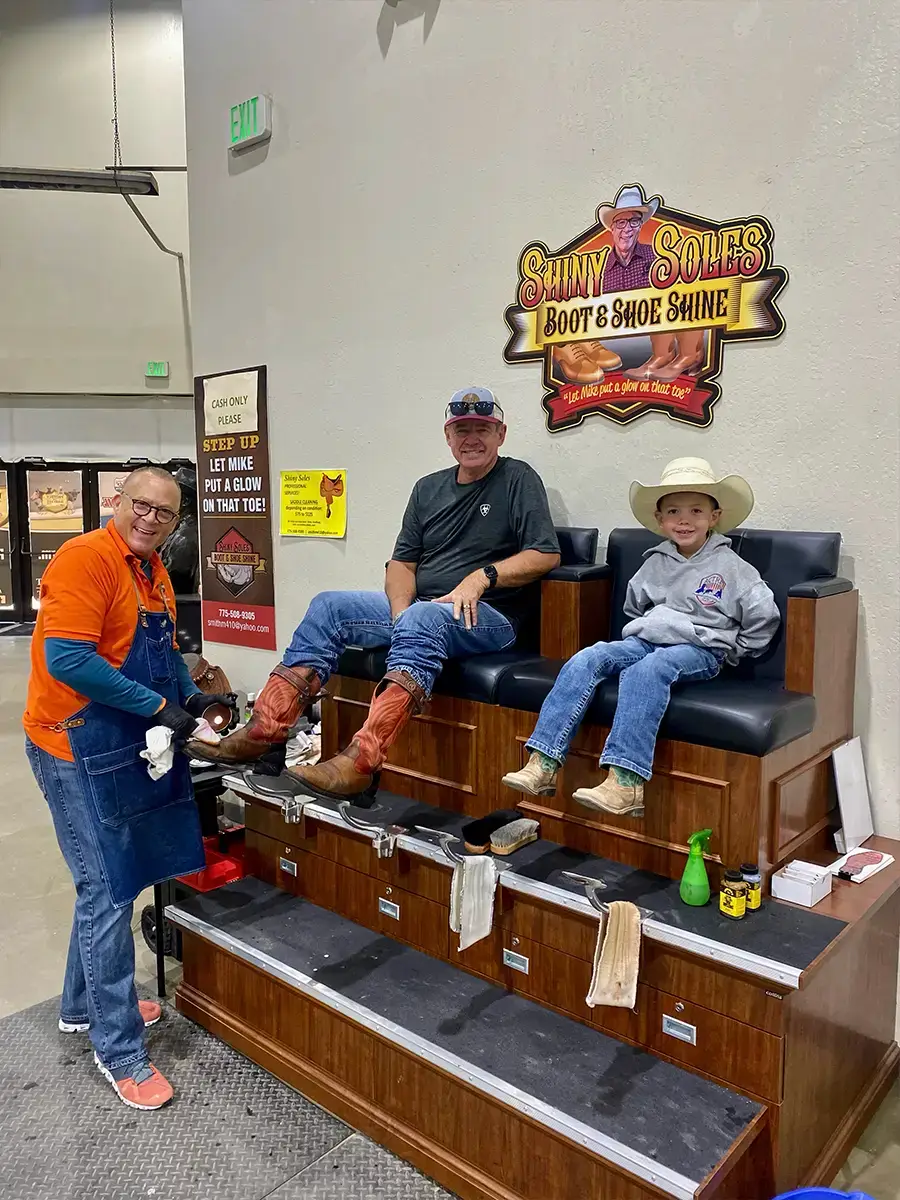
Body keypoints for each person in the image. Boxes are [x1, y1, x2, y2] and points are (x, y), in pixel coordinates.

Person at [191, 389, 561, 796]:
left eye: (483, 429)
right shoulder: (427, 489)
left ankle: (362, 760)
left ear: (501, 434)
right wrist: (402, 612)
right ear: (448, 436)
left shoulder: (517, 478)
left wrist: (481, 577)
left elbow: (545, 554)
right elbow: (402, 564)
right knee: (330, 605)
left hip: (490, 616)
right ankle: (265, 731)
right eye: (462, 430)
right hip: (425, 609)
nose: (472, 438)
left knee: (423, 617)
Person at [23, 466, 235, 1111]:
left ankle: (79, 1007)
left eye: (164, 513)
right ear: (118, 501)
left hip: (118, 742)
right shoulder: (85, 561)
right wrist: (160, 709)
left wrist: (191, 693)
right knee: (110, 891)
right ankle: (119, 1051)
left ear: (176, 523)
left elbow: (163, 648)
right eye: (140, 505)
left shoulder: (153, 571)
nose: (149, 518)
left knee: (106, 883)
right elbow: (69, 660)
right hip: (71, 744)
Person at [500, 457, 780, 816]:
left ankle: (627, 783)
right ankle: (544, 762)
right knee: (589, 657)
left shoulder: (732, 567)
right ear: (661, 521)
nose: (684, 519)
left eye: (697, 510)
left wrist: (734, 650)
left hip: (699, 648)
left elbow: (763, 616)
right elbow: (635, 607)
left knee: (647, 670)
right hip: (646, 640)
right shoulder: (654, 562)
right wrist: (648, 632)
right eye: (674, 511)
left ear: (714, 517)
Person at [592, 183, 707, 383]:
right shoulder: (599, 271)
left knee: (681, 294)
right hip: (621, 339)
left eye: (634, 221)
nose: (627, 229)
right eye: (620, 223)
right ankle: (663, 357)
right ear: (611, 227)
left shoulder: (657, 257)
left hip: (644, 337)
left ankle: (682, 356)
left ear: (641, 225)